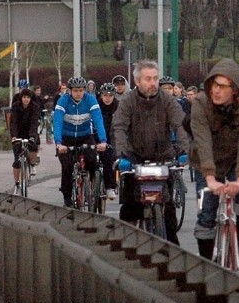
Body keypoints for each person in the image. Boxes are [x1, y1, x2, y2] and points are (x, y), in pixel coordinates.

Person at [112, 60, 190, 245]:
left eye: (155, 78)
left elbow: (180, 125)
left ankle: (173, 251)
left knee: (168, 207)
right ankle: (127, 247)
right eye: (148, 79)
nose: (153, 83)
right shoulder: (127, 101)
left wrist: (184, 150)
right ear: (137, 81)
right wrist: (123, 155)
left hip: (163, 156)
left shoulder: (167, 100)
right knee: (130, 206)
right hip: (134, 157)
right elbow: (120, 127)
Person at [190, 59, 239, 259]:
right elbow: (202, 142)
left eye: (222, 86)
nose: (216, 90)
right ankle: (206, 265)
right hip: (207, 159)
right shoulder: (201, 103)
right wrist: (210, 178)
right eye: (213, 85)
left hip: (237, 158)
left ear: (235, 89)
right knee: (207, 214)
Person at [53, 77, 108, 207]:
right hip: (66, 137)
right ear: (70, 91)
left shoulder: (90, 100)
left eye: (81, 90)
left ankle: (91, 187)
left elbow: (98, 120)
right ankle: (67, 196)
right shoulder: (63, 101)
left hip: (85, 136)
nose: (78, 93)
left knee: (92, 160)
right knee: (67, 166)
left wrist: (103, 141)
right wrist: (58, 143)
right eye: (76, 90)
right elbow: (57, 122)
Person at [10, 88, 40, 189]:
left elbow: (34, 123)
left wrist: (32, 136)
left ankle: (32, 164)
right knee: (17, 160)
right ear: (21, 98)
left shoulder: (35, 107)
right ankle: (17, 183)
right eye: (24, 97)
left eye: (28, 97)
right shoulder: (15, 106)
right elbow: (13, 122)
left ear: (30, 98)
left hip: (30, 132)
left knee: (33, 147)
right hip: (18, 133)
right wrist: (14, 136)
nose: (26, 99)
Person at [96, 83, 120, 200]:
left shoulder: (119, 107)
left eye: (110, 95)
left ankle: (110, 187)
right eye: (105, 95)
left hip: (111, 137)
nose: (107, 97)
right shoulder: (95, 106)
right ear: (101, 96)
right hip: (96, 136)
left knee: (109, 160)